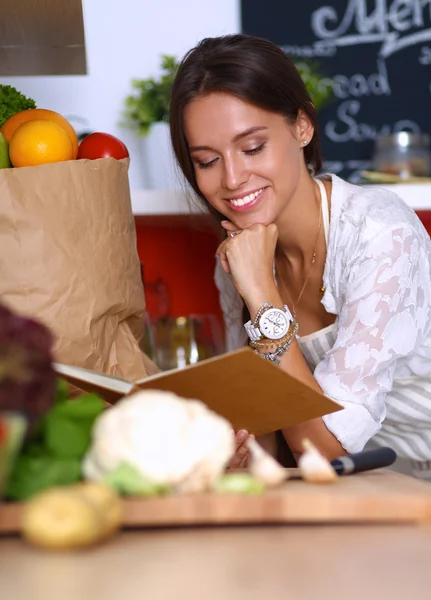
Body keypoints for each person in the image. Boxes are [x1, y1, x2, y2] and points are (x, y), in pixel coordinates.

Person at [168, 33, 431, 479]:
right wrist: (241, 450)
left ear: (302, 127)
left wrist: (264, 297)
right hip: (366, 482)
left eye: (252, 148)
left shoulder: (379, 233)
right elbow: (272, 430)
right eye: (208, 161)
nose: (233, 178)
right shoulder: (239, 258)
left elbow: (324, 455)